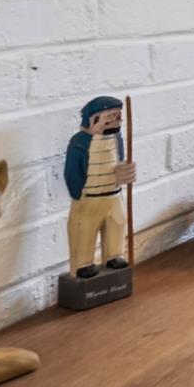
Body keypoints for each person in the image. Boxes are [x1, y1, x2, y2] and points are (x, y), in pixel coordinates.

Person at [64, 95, 132, 279]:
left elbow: (118, 160)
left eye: (119, 116)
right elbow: (72, 171)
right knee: (85, 228)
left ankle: (113, 255)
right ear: (93, 119)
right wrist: (78, 193)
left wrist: (122, 172)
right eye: (111, 116)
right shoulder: (79, 142)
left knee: (117, 223)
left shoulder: (116, 138)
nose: (117, 120)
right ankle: (83, 263)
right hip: (89, 197)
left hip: (113, 195)